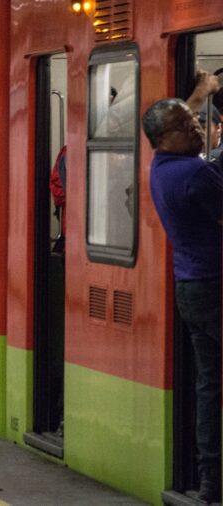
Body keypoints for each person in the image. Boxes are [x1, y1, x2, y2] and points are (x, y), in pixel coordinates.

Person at [142, 70, 222, 503]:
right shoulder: (197, 175)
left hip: (190, 285)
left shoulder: (162, 166)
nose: (196, 125)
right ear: (164, 138)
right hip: (216, 286)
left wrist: (198, 93)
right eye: (187, 125)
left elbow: (175, 118)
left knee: (210, 383)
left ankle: (211, 480)